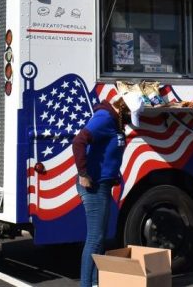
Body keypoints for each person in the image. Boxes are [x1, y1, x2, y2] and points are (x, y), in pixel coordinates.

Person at [72, 91, 144, 287]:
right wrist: (83, 173)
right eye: (130, 115)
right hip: (94, 185)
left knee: (101, 237)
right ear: (123, 108)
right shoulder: (104, 118)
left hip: (103, 184)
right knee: (95, 239)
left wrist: (114, 173)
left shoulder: (114, 119)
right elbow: (79, 142)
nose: (130, 120)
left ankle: (95, 283)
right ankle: (86, 284)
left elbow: (108, 152)